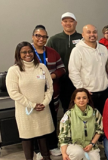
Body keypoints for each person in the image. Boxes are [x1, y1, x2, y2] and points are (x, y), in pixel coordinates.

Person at [6, 42, 54, 160]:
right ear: (18, 54)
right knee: (27, 138)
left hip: (43, 109)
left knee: (43, 138)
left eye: (30, 51)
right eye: (24, 52)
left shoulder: (42, 67)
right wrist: (32, 105)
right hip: (25, 112)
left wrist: (44, 103)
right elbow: (13, 92)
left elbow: (50, 87)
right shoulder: (14, 70)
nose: (28, 54)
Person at [30, 25, 65, 158]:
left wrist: (51, 76)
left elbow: (62, 68)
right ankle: (38, 150)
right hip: (33, 95)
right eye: (38, 36)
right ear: (33, 36)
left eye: (44, 37)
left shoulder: (52, 52)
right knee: (35, 122)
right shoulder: (27, 52)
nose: (41, 39)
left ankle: (52, 146)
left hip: (50, 94)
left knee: (50, 120)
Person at [69, 24, 108, 114]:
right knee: (89, 121)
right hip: (89, 93)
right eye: (89, 32)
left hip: (104, 91)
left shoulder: (103, 49)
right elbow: (73, 72)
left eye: (94, 32)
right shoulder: (78, 50)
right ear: (83, 35)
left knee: (103, 120)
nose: (92, 34)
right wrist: (82, 90)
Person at [46, 12, 82, 113]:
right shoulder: (54, 40)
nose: (68, 23)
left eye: (71, 21)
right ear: (61, 23)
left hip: (80, 79)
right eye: (65, 21)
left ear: (75, 23)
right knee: (66, 106)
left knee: (81, 104)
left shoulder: (83, 38)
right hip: (61, 79)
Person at [59, 88, 103, 160]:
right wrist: (64, 153)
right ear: (74, 100)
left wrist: (91, 144)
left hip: (90, 144)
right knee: (78, 153)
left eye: (84, 98)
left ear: (88, 100)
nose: (81, 100)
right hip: (73, 145)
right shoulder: (69, 114)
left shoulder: (95, 113)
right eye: (78, 98)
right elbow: (63, 136)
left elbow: (99, 130)